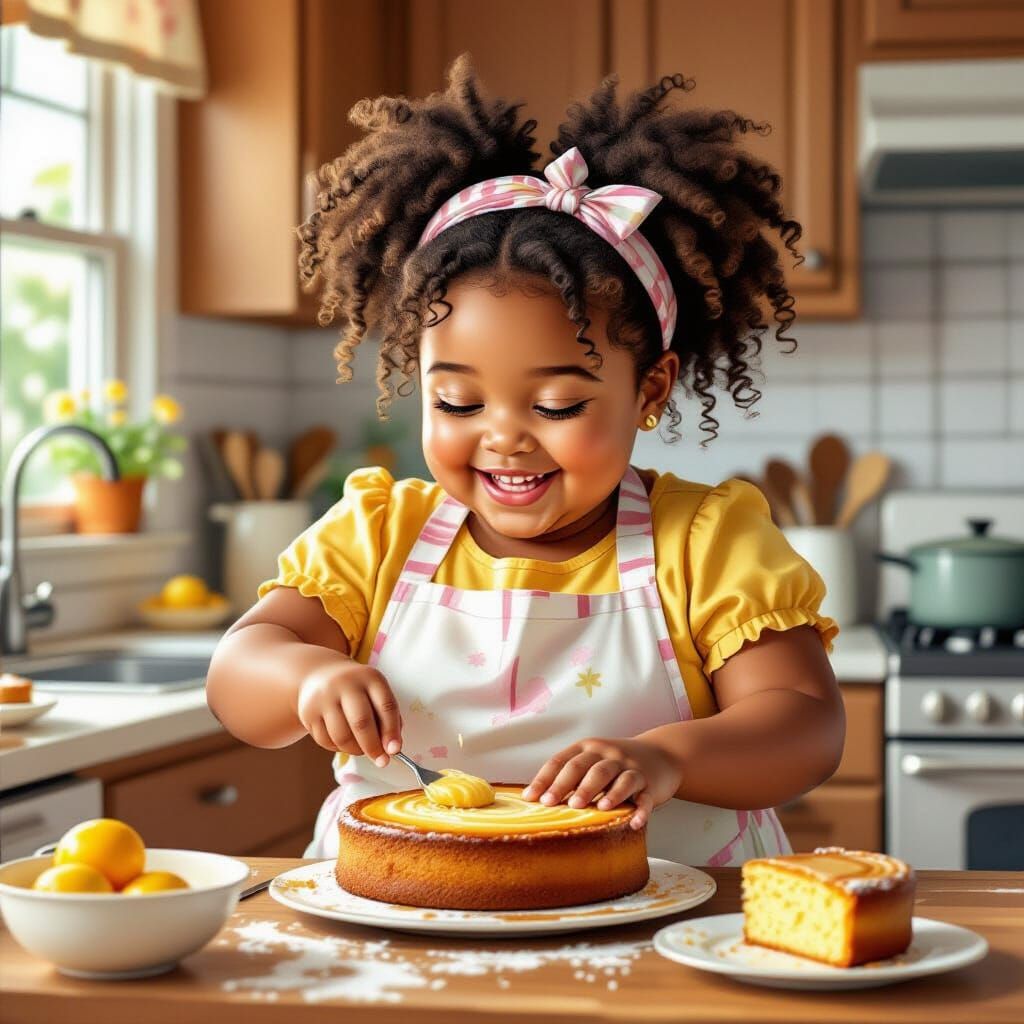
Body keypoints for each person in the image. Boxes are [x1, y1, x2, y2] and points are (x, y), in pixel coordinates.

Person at [206, 56, 844, 864]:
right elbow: (238, 674)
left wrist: (667, 757)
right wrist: (304, 680)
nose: (504, 438)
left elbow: (805, 724)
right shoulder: (380, 532)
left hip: (664, 927)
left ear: (649, 390)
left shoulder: (706, 541)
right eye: (458, 403)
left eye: (555, 406)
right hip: (407, 914)